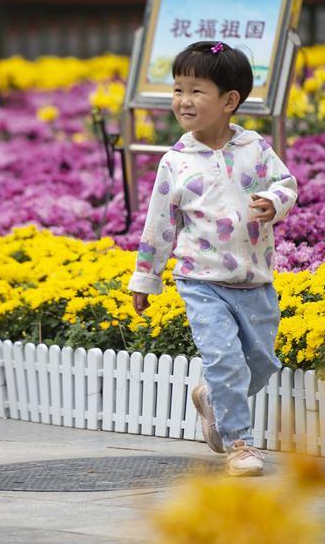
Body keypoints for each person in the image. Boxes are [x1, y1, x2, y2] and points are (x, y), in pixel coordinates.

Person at [128, 40, 298, 477]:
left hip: (255, 280)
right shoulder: (175, 162)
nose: (183, 100)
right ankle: (239, 443)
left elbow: (287, 183)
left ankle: (208, 396)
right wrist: (146, 279)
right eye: (178, 89)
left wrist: (273, 201)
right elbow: (160, 226)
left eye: (196, 90)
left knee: (260, 365)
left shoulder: (256, 148)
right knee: (224, 361)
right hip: (201, 281)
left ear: (229, 101)